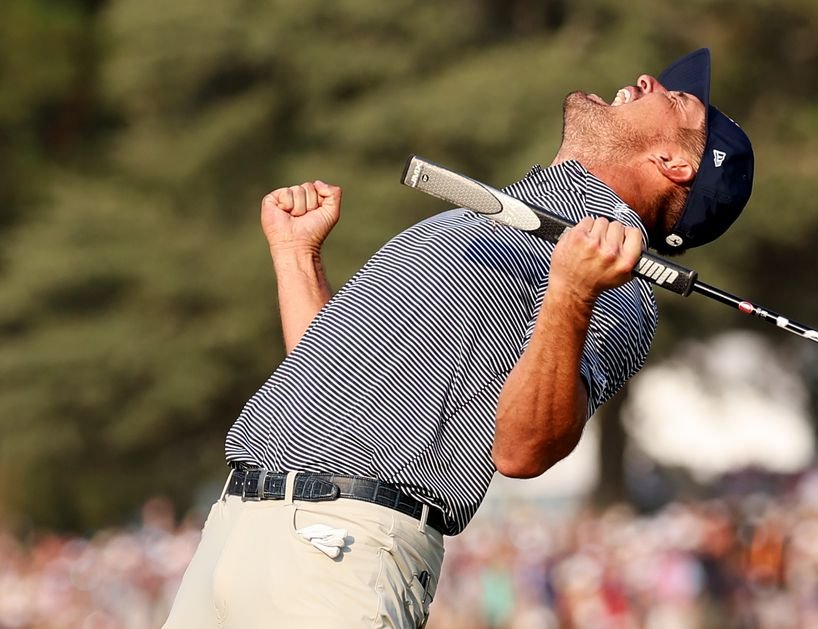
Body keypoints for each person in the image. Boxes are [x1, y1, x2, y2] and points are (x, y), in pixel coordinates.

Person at [164, 48, 753, 628]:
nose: (647, 80)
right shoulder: (495, 215)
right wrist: (296, 259)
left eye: (675, 101)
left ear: (675, 162)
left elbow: (524, 452)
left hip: (341, 545)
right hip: (238, 528)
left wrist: (573, 292)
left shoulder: (617, 277)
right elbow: (327, 381)